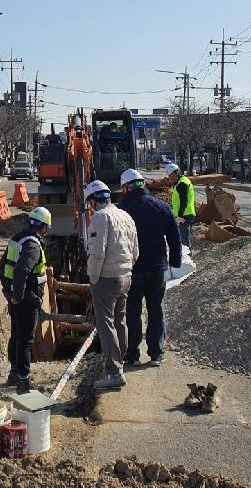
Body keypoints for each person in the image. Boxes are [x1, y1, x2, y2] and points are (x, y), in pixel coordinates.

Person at [118, 169, 182, 367]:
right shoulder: (161, 206)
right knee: (156, 309)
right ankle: (156, 354)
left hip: (133, 269)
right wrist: (175, 261)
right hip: (157, 268)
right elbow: (175, 238)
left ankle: (132, 355)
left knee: (133, 311)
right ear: (142, 184)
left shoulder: (121, 210)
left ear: (126, 187)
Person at [84, 179, 139, 390]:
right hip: (126, 276)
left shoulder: (100, 217)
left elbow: (97, 252)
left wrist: (93, 277)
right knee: (120, 321)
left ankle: (114, 371)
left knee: (105, 324)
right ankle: (119, 362)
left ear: (92, 200)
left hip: (106, 278)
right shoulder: (125, 215)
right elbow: (135, 251)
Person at [0, 206, 52, 393]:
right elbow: (22, 270)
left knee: (17, 336)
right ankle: (24, 380)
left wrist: (9, 291)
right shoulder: (33, 245)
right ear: (44, 227)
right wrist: (18, 296)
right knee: (26, 341)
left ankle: (14, 373)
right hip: (26, 299)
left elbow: (3, 264)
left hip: (16, 297)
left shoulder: (17, 239)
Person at [164, 163, 196, 252]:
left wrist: (180, 216)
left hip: (185, 215)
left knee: (184, 239)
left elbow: (184, 201)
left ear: (174, 174)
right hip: (184, 214)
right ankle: (185, 258)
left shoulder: (182, 183)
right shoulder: (180, 182)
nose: (169, 178)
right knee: (183, 237)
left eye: (170, 176)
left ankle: (187, 261)